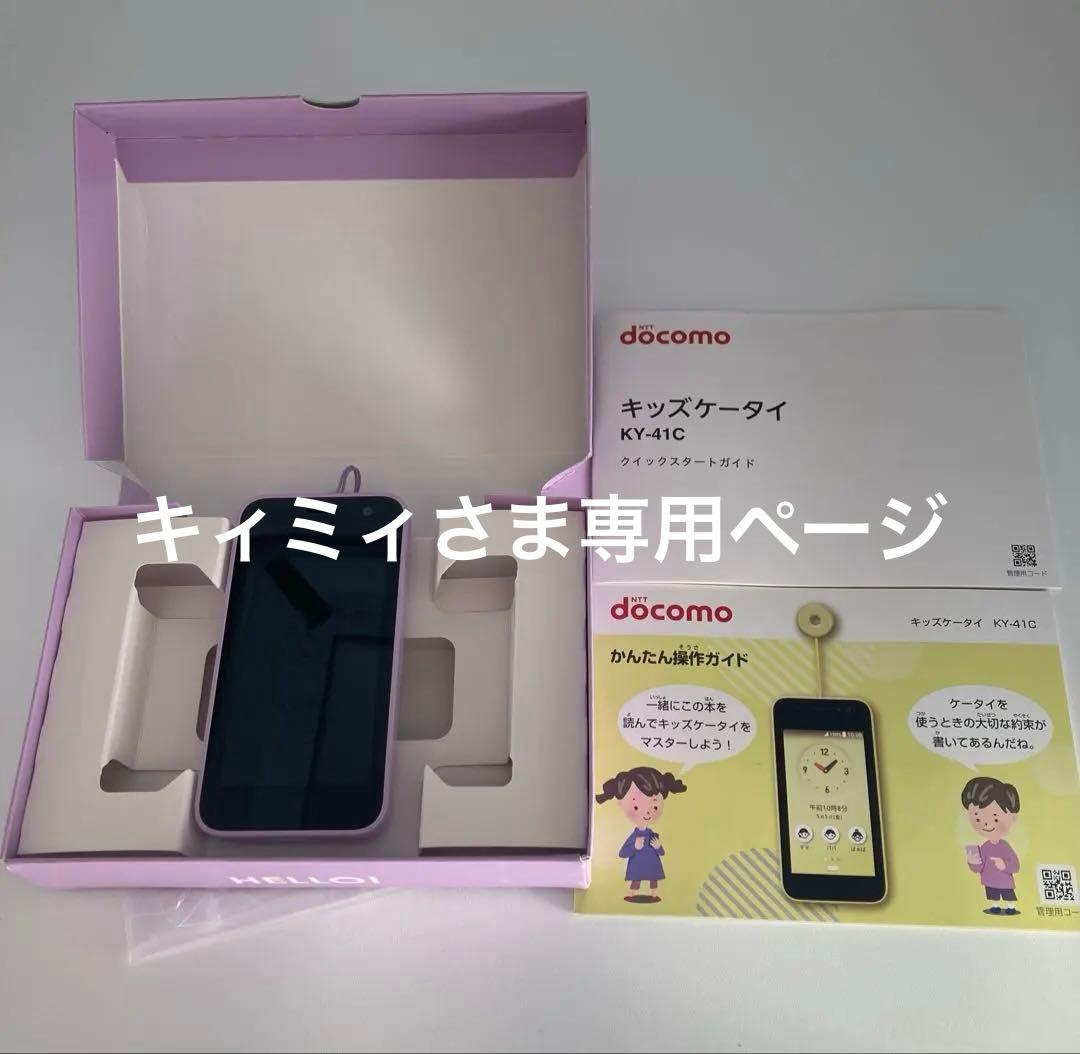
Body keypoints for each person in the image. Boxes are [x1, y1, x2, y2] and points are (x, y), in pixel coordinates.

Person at [596, 766, 687, 903]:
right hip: (637, 864)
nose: (647, 812)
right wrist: (635, 847)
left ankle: (654, 894)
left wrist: (658, 846)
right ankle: (632, 894)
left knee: (653, 879)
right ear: (621, 803)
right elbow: (623, 853)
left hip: (652, 863)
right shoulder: (634, 836)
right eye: (636, 807)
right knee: (636, 880)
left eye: (654, 806)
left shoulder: (652, 834)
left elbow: (661, 852)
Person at [961, 776, 1021, 916]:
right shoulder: (985, 847)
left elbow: (1015, 865)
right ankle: (995, 906)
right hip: (989, 880)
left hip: (1004, 880)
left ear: (1013, 816)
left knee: (1008, 894)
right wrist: (973, 861)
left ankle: (1011, 907)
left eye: (995, 817)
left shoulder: (1005, 846)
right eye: (977, 818)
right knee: (992, 894)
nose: (986, 823)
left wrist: (1004, 865)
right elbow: (978, 868)